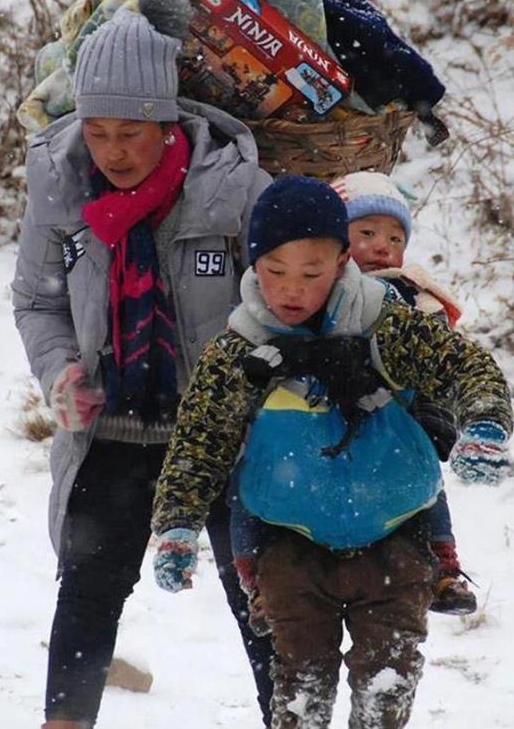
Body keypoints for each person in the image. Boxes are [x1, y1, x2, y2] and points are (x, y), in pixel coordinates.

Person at [151, 175, 512, 729]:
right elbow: (200, 440)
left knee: (386, 687)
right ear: (253, 264)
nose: (292, 290)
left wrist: (485, 420)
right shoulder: (241, 349)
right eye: (275, 272)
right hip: (289, 549)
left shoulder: (385, 323)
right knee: (299, 690)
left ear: (343, 261)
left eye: (312, 274)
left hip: (396, 536)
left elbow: (463, 365)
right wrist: (177, 523)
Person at [12, 0, 274, 729]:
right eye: (97, 131)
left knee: (263, 599)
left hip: (222, 440)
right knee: (87, 591)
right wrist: (60, 370)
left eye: (133, 131)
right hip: (112, 432)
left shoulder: (233, 191)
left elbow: (290, 300)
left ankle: (291, 717)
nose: (114, 151)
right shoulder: (59, 187)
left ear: (169, 121)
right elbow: (36, 298)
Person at [332, 170, 477, 614]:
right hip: (330, 416)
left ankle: (443, 565)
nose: (382, 246)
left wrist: (436, 415)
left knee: (426, 488)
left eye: (395, 237)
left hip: (400, 415)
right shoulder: (318, 288)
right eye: (367, 233)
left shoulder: (415, 296)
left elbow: (440, 364)